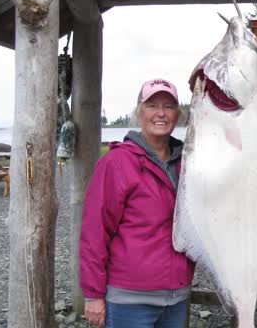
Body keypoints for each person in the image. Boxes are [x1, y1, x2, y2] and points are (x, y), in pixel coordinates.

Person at [79, 78, 194, 328]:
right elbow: (95, 233)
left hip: (177, 297)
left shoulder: (189, 163)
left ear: (178, 114)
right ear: (139, 112)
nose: (161, 113)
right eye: (152, 105)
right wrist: (93, 295)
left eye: (169, 106)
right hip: (128, 301)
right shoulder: (116, 163)